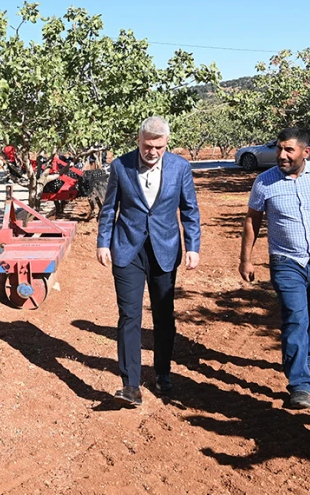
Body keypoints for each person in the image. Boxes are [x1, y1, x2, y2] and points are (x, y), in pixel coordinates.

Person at [239, 127, 310, 410]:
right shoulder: (265, 181)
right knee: (295, 319)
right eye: (279, 149)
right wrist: (246, 259)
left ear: (305, 152)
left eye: (289, 150)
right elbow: (252, 220)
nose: (282, 155)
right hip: (286, 262)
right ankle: (299, 384)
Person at [97, 116, 201, 406]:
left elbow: (190, 210)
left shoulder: (180, 167)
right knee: (129, 316)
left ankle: (163, 372)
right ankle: (130, 385)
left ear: (167, 143)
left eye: (158, 146)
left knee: (163, 315)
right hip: (127, 249)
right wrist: (103, 242)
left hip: (164, 250)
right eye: (147, 146)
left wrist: (193, 246)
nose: (152, 151)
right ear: (138, 141)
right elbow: (109, 209)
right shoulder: (121, 166)